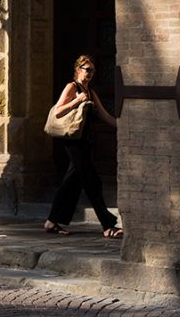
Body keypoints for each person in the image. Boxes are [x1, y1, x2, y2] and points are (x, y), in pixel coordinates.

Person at [44, 54, 124, 238]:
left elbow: (105, 116)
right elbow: (57, 111)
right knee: (92, 181)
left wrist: (125, 127)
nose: (90, 74)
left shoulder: (91, 92)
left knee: (71, 182)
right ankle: (107, 225)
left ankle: (52, 221)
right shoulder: (72, 87)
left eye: (93, 71)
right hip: (72, 142)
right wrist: (76, 101)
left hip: (85, 142)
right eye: (87, 70)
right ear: (78, 69)